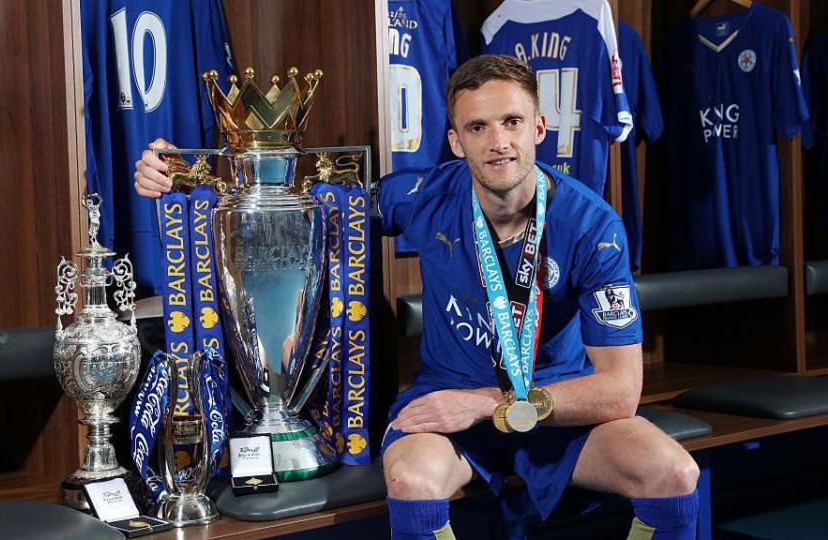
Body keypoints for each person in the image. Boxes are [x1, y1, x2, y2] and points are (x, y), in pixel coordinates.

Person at [132, 55, 700, 540]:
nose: (498, 142)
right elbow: (297, 202)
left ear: (539, 127)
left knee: (672, 472)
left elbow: (621, 390)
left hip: (554, 413)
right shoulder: (425, 196)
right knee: (410, 478)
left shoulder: (592, 225)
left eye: (511, 122)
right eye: (477, 128)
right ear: (455, 141)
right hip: (444, 412)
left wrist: (484, 403)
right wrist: (180, 175)